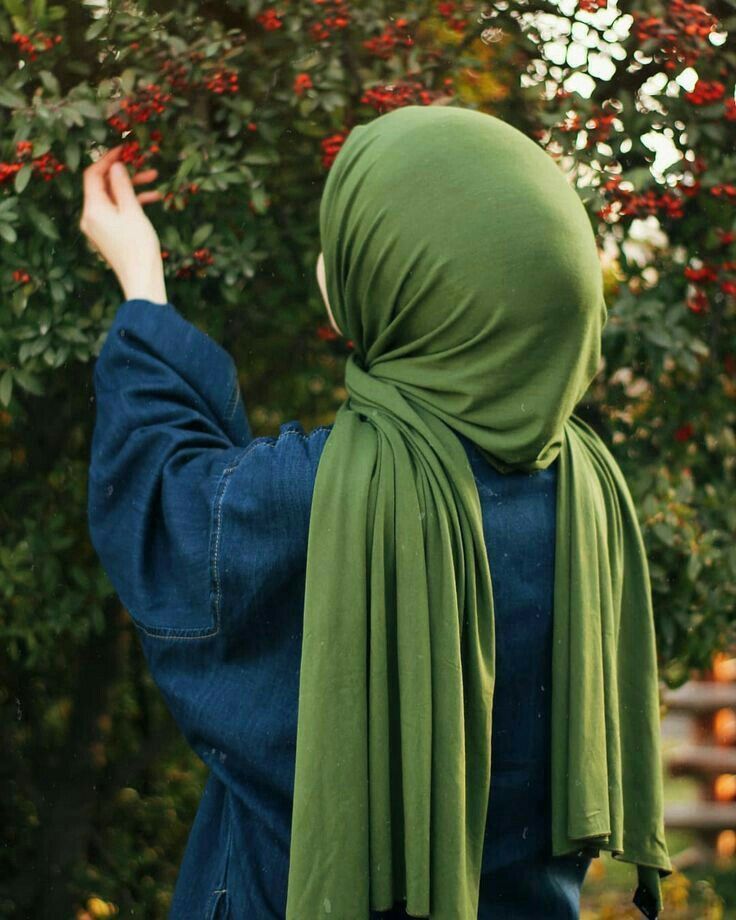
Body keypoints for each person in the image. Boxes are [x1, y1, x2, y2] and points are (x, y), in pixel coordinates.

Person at [84, 104, 671, 919]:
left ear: (411, 283)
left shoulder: (328, 493)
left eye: (360, 240)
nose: (335, 257)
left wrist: (142, 285)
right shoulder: (589, 491)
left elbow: (167, 508)